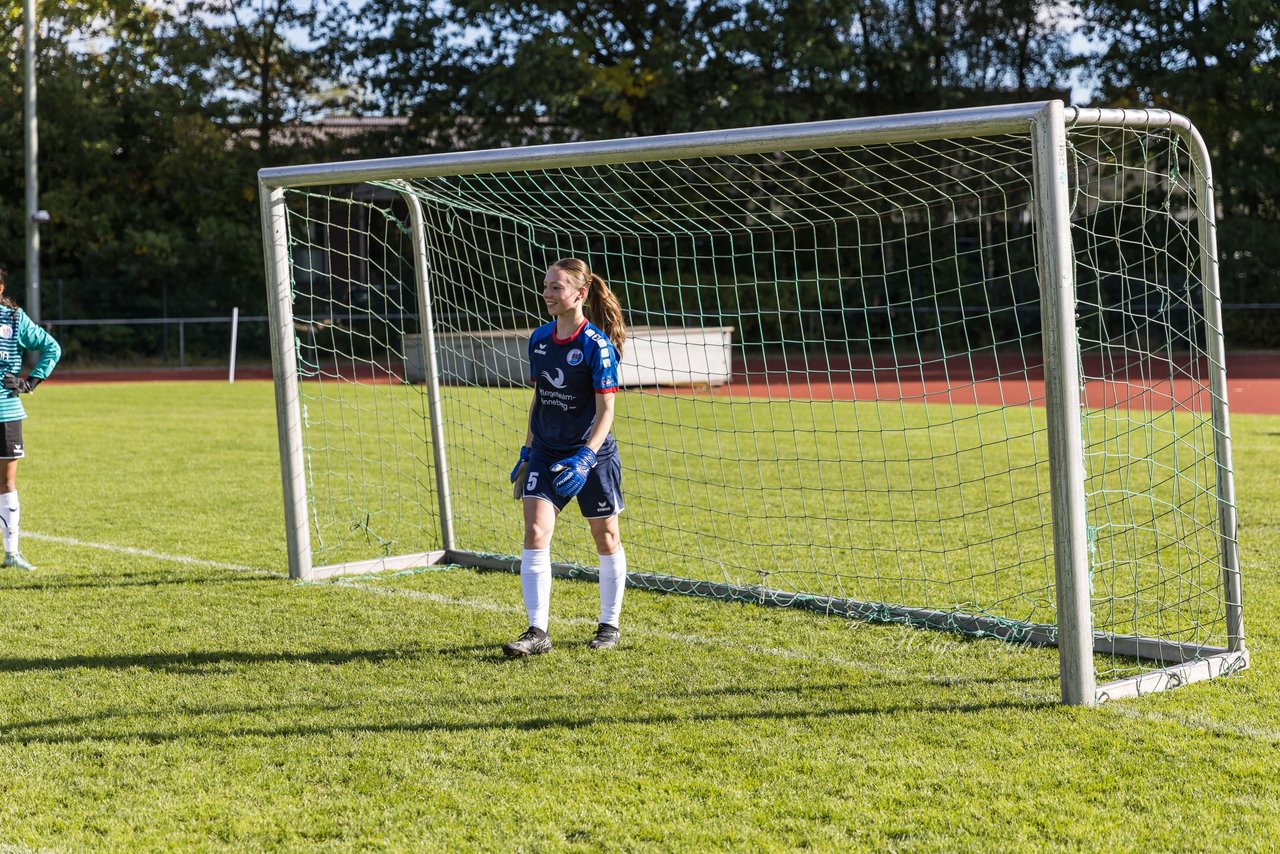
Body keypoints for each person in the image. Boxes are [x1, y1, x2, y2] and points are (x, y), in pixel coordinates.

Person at [504, 258, 628, 657]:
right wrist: (527, 450)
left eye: (556, 287)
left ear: (580, 293)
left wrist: (585, 459)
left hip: (591, 454)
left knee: (605, 537)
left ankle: (609, 625)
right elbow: (539, 398)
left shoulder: (597, 347)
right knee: (535, 532)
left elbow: (606, 412)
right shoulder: (539, 339)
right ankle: (537, 631)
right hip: (545, 451)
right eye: (546, 287)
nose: (547, 294)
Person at [0, 266, 62, 571]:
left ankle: (12, 554)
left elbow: (52, 347)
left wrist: (31, 382)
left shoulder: (13, 318)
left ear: (0, 289)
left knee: (7, 482)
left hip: (7, 413)